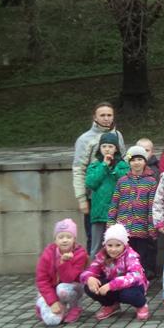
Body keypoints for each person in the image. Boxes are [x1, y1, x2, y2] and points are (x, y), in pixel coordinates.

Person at [72, 101, 126, 254]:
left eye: (109, 115)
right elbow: (78, 169)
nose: (106, 118)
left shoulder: (118, 135)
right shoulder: (84, 139)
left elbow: (123, 161)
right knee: (94, 239)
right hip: (94, 196)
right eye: (102, 115)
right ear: (95, 117)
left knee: (117, 238)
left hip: (115, 196)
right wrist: (81, 198)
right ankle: (94, 267)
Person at [80, 223, 150, 321]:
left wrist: (111, 285)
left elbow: (135, 276)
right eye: (110, 245)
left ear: (124, 245)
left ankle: (141, 305)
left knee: (127, 294)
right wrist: (89, 278)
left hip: (132, 286)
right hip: (112, 287)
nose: (113, 249)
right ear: (105, 245)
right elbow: (90, 270)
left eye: (118, 245)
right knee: (89, 287)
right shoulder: (102, 255)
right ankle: (111, 305)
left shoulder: (131, 255)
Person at [108, 145, 158, 280]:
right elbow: (115, 203)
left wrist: (151, 227)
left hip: (141, 228)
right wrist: (111, 223)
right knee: (124, 256)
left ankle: (139, 280)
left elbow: (151, 206)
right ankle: (124, 279)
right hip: (123, 229)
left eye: (140, 159)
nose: (136, 163)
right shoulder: (122, 181)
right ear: (129, 162)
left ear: (145, 161)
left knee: (140, 257)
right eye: (133, 160)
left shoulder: (151, 181)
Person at [35, 219, 88, 325]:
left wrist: (64, 262)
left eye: (69, 237)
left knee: (62, 289)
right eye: (61, 237)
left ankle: (75, 307)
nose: (64, 240)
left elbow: (68, 278)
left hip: (71, 287)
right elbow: (42, 280)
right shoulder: (47, 254)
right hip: (51, 291)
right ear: (55, 240)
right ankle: (42, 304)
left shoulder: (80, 254)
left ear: (74, 239)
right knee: (52, 321)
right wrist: (52, 302)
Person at [85, 132, 129, 257]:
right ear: (99, 148)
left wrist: (113, 169)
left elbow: (125, 181)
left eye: (110, 146)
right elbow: (91, 183)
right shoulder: (95, 166)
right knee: (96, 247)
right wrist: (104, 166)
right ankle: (95, 268)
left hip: (118, 213)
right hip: (99, 213)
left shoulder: (122, 166)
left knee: (118, 245)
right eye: (104, 146)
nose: (107, 149)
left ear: (116, 149)